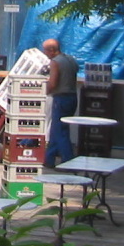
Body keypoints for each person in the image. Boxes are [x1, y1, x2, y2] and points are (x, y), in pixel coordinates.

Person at [43, 38, 78, 166]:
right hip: (73, 97)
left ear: (52, 51)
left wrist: (43, 92)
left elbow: (53, 83)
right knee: (55, 129)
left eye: (45, 50)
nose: (44, 53)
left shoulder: (55, 62)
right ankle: (49, 158)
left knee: (61, 131)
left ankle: (68, 161)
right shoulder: (70, 60)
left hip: (61, 98)